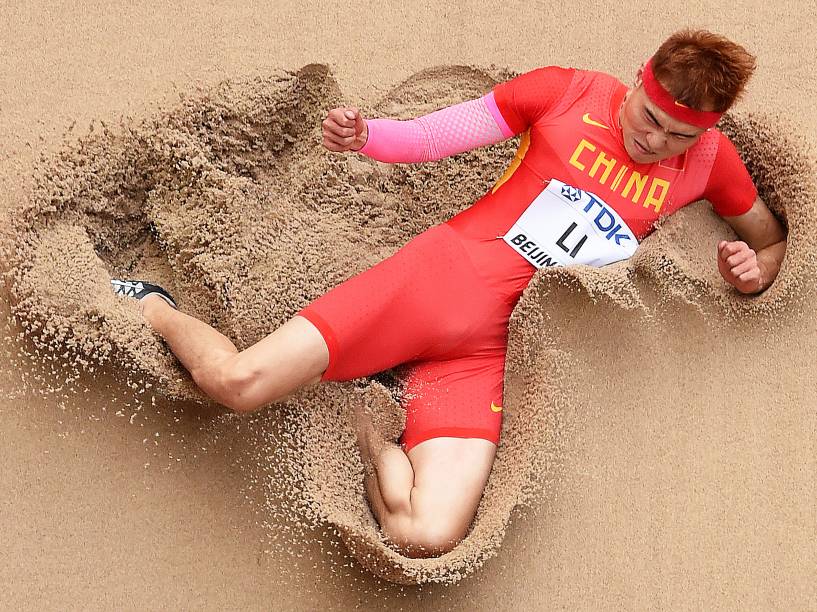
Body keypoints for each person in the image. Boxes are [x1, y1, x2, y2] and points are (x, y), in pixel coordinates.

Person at [112, 29, 787, 558]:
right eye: (648, 117)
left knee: (423, 534)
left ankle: (364, 413)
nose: (652, 141)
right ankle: (153, 305)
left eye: (678, 135)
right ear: (640, 79)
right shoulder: (564, 92)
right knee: (235, 382)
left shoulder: (706, 163)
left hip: (486, 350)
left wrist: (753, 271)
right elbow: (440, 133)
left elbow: (767, 236)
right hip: (435, 283)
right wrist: (367, 137)